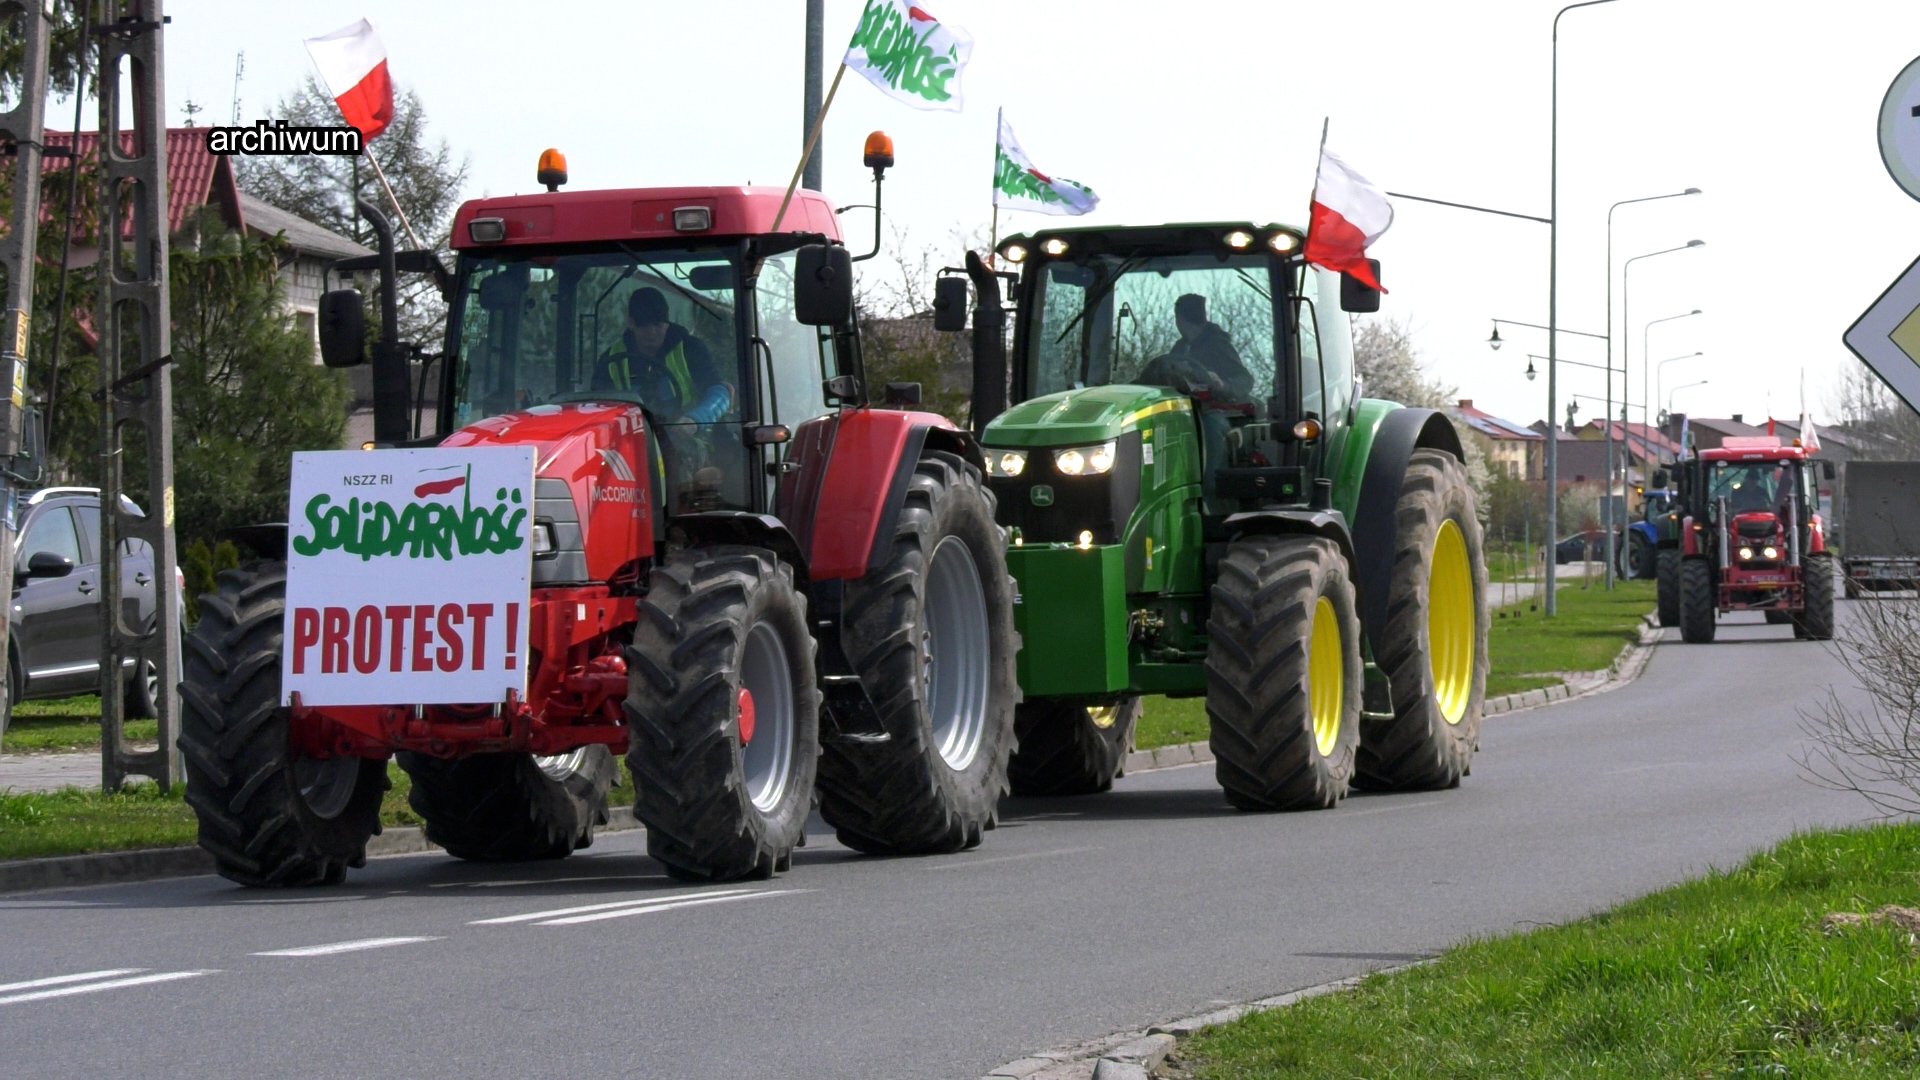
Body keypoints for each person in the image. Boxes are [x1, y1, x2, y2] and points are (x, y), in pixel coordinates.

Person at [596, 287, 731, 424]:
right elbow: (597, 405)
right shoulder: (610, 360)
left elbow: (719, 393)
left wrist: (693, 421)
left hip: (689, 439)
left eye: (657, 325)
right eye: (644, 325)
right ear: (631, 323)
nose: (652, 332)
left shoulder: (691, 349)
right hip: (631, 438)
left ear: (667, 323)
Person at [1159, 293, 1255, 402]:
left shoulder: (1217, 345)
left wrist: (1222, 385)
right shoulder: (1179, 348)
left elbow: (1245, 380)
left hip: (1215, 408)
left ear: (1180, 319)